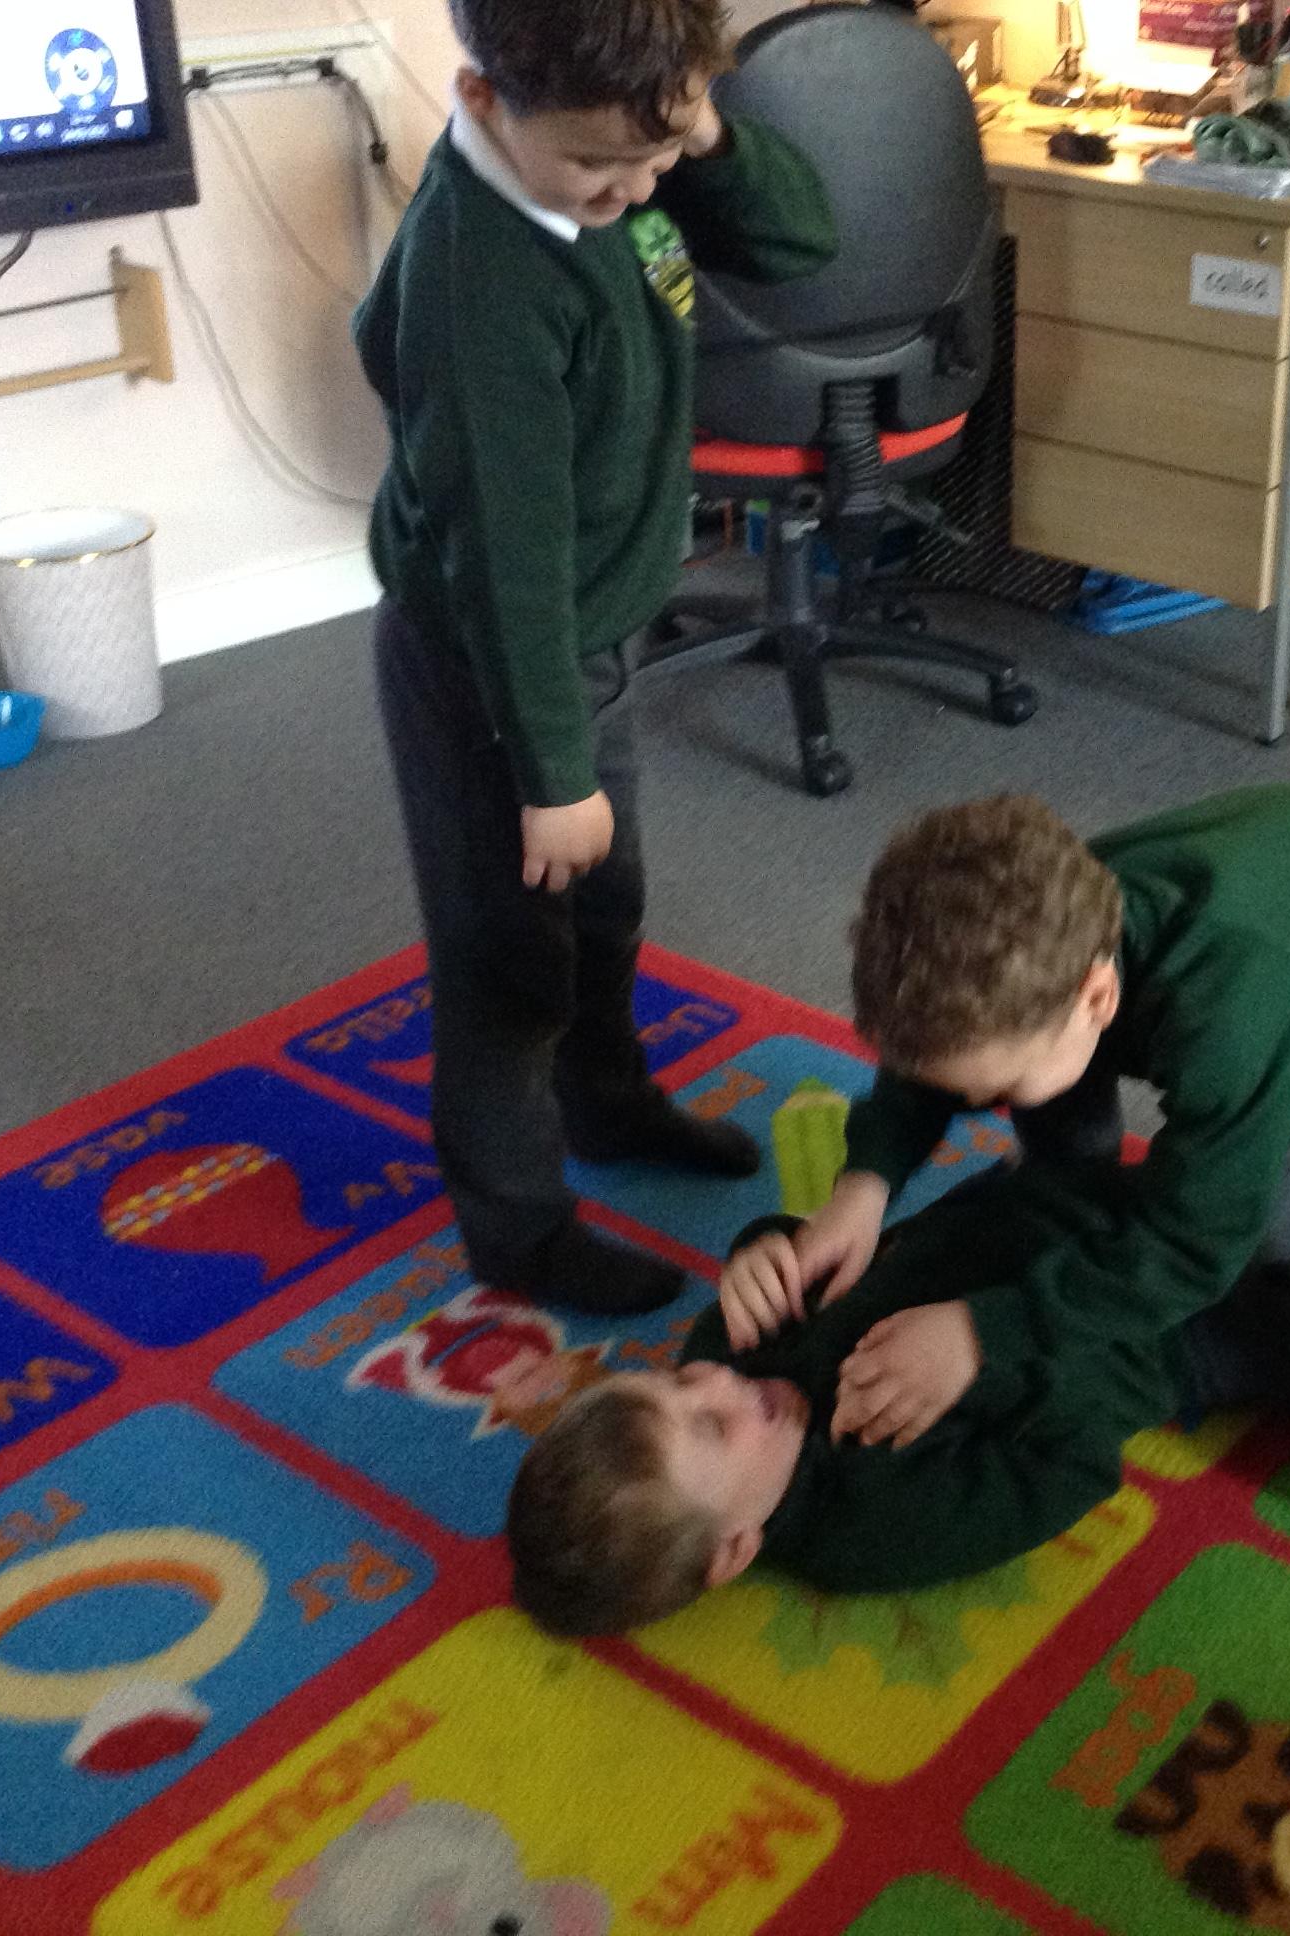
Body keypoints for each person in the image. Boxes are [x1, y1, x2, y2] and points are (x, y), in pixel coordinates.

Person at [724, 786, 1290, 1543]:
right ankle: (1284, 1176)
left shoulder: (1233, 1015)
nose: (979, 1104)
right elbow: (935, 1059)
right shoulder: (1032, 950)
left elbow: (1198, 1241)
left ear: (1097, 997)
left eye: (991, 1088)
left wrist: (982, 1332)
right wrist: (863, 1187)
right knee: (1070, 1120)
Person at [354, 0, 836, 1316]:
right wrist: (550, 771)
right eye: (596, 166)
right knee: (506, 957)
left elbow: (800, 238)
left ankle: (608, 1104)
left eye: (657, 159)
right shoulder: (485, 281)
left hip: (596, 627)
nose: (633, 193)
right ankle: (516, 1228)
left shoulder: (624, 160)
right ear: (484, 98)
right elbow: (505, 558)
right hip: (493, 661)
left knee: (605, 906)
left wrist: (699, 135)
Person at [509, 1142, 1290, 1635]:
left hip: (1031, 1210)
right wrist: (982, 1349)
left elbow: (807, 1250)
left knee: (1277, 1183)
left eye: (676, 1381)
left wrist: (763, 1250)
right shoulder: (870, 1526)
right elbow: (1074, 1467)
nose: (715, 1380)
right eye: (708, 1427)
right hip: (1156, 1338)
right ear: (733, 1550)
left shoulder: (733, 1360)